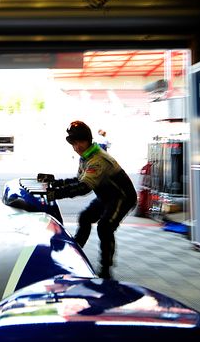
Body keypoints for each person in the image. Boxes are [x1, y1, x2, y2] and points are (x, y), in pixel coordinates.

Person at [43, 120, 137, 280]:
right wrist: (55, 183)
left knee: (105, 227)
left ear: (88, 140)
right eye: (73, 142)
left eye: (80, 141)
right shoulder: (86, 156)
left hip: (123, 197)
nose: (77, 146)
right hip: (107, 196)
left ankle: (106, 270)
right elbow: (78, 179)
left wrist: (56, 194)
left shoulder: (98, 159)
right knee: (85, 217)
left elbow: (84, 188)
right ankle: (75, 253)